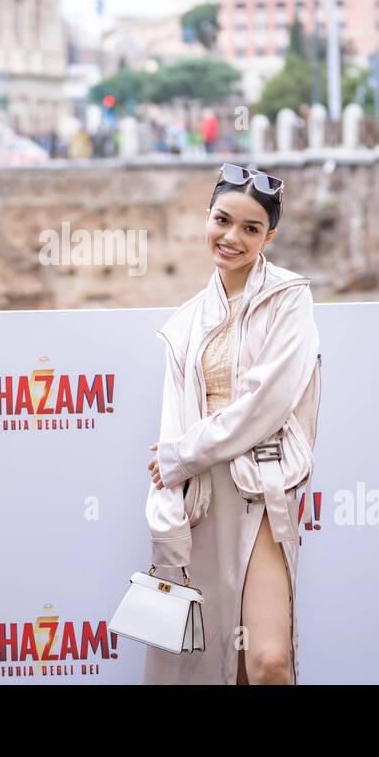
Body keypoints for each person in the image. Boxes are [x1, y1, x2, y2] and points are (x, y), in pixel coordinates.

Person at [143, 163, 320, 685]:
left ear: (270, 236)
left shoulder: (289, 299)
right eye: (222, 220)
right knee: (210, 665)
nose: (231, 238)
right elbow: (170, 428)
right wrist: (164, 508)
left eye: (250, 228)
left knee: (268, 661)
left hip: (262, 488)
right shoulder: (184, 323)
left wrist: (181, 455)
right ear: (207, 218)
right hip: (200, 496)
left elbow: (265, 404)